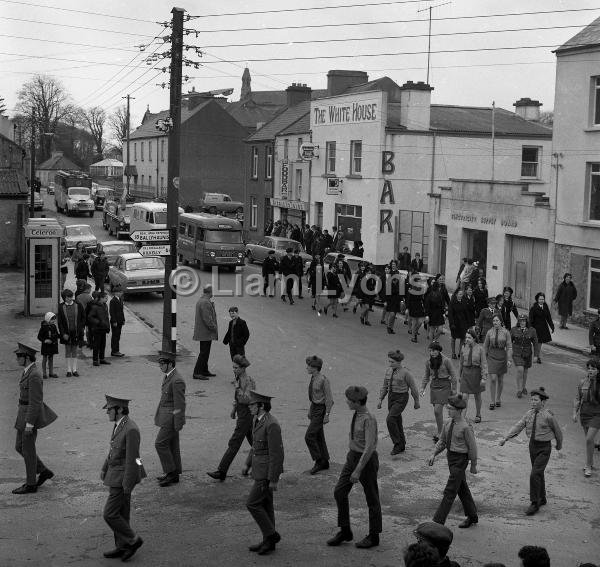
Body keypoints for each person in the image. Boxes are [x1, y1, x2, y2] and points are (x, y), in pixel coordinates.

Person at [327, 386, 381, 549]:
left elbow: (369, 447)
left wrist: (358, 469)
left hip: (366, 460)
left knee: (372, 497)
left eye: (349, 401)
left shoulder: (368, 419)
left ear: (357, 402)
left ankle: (374, 536)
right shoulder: (357, 414)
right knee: (339, 492)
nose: (347, 402)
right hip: (352, 457)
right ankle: (345, 531)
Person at [499, 387, 563, 515]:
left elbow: (558, 431)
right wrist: (506, 437)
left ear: (543, 402)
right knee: (538, 473)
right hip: (532, 446)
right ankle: (542, 497)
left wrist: (558, 445)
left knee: (534, 474)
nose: (533, 402)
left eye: (536, 400)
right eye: (532, 400)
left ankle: (535, 503)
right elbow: (519, 426)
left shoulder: (548, 416)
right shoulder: (528, 414)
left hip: (544, 447)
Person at [101, 395, 146, 561]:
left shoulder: (131, 429)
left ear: (119, 409)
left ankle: (134, 540)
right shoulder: (119, 425)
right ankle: (122, 546)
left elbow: (133, 458)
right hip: (116, 473)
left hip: (123, 477)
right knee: (122, 512)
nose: (107, 412)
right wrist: (104, 468)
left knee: (110, 514)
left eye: (109, 409)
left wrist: (128, 484)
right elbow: (114, 450)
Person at [12, 343, 57, 494]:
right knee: (19, 446)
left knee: (28, 450)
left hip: (29, 417)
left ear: (27, 358)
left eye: (19, 356)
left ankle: (31, 484)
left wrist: (30, 424)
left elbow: (36, 402)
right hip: (23, 414)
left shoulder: (34, 375)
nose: (17, 358)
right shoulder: (28, 371)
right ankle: (43, 471)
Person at [428, 393, 479, 528]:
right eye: (448, 408)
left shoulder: (465, 427)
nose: (448, 410)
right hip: (451, 458)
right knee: (461, 488)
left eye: (450, 408)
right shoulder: (448, 423)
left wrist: (473, 464)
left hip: (460, 460)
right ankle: (472, 516)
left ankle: (438, 522)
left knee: (450, 491)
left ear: (459, 410)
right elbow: (443, 441)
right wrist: (434, 453)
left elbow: (472, 448)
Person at [246, 390, 284, 556]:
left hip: (266, 473)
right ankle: (268, 541)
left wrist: (274, 479)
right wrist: (247, 464)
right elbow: (255, 445)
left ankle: (272, 535)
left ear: (261, 406)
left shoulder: (271, 424)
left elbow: (277, 454)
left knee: (252, 503)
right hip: (259, 469)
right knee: (266, 505)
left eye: (252, 405)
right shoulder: (257, 419)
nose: (249, 407)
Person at [208, 354, 255, 481]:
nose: (233, 370)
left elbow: (248, 399)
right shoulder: (239, 378)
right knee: (256, 443)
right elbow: (237, 400)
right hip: (244, 415)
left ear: (243, 368)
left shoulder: (247, 381)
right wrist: (234, 410)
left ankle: (222, 471)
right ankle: (259, 465)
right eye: (233, 367)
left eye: (236, 368)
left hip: (246, 416)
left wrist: (237, 389)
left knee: (234, 443)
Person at [377, 350, 419, 454]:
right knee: (396, 420)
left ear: (399, 362)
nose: (390, 364)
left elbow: (413, 388)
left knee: (390, 419)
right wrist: (380, 399)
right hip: (391, 397)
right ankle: (402, 443)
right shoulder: (388, 371)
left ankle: (397, 443)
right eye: (389, 361)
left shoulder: (406, 373)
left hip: (401, 397)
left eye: (392, 362)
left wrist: (416, 401)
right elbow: (385, 386)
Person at [154, 351, 186, 487]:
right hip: (167, 417)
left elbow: (180, 404)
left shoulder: (176, 380)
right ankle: (174, 473)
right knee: (172, 445)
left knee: (160, 443)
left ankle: (171, 472)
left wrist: (177, 423)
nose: (160, 366)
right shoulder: (169, 376)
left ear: (170, 364)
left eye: (163, 364)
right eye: (159, 363)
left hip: (171, 419)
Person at [421, 342, 458, 443]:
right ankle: (441, 431)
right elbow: (426, 375)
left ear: (438, 350)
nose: (432, 353)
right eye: (430, 351)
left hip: (444, 385)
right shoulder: (428, 362)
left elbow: (453, 375)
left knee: (437, 410)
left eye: (434, 350)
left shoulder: (446, 361)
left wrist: (454, 389)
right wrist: (423, 387)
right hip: (434, 386)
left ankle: (440, 434)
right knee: (438, 412)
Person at [304, 355, 333, 474]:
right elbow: (314, 397)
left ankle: (319, 460)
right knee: (318, 436)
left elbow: (329, 399)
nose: (307, 368)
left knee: (309, 436)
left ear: (315, 368)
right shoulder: (313, 378)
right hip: (315, 408)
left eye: (309, 366)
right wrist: (311, 410)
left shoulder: (323, 380)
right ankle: (325, 461)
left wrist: (327, 414)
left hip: (321, 410)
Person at [573, 359, 600, 478]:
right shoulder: (582, 382)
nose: (590, 371)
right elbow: (577, 398)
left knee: (589, 439)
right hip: (585, 413)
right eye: (589, 368)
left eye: (593, 369)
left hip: (597, 414)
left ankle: (588, 466)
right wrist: (574, 413)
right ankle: (591, 462)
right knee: (589, 440)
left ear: (598, 370)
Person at [483, 315, 513, 411]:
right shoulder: (489, 332)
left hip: (502, 356)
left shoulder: (506, 332)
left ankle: (498, 398)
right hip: (492, 355)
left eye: (497, 320)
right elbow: (485, 346)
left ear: (500, 321)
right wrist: (483, 359)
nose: (495, 322)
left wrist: (509, 359)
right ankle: (492, 401)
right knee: (493, 378)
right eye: (494, 320)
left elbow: (509, 347)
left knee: (500, 379)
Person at [459, 328, 487, 423]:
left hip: (476, 374)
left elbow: (484, 364)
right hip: (466, 373)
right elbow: (461, 363)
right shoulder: (463, 347)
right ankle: (462, 417)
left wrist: (484, 377)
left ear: (474, 338)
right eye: (466, 337)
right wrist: (459, 375)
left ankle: (478, 414)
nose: (466, 340)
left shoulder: (480, 349)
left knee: (477, 396)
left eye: (469, 338)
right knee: (465, 396)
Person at [57, 288, 86, 377]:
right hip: (66, 333)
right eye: (68, 297)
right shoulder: (61, 307)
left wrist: (81, 328)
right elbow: (60, 322)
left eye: (71, 297)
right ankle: (69, 370)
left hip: (76, 332)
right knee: (67, 351)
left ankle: (75, 369)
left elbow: (83, 318)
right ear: (64, 298)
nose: (70, 299)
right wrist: (63, 333)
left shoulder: (78, 305)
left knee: (74, 350)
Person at [193, 285, 218, 379]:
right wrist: (213, 328)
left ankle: (204, 370)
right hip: (205, 332)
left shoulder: (203, 301)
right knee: (204, 353)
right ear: (209, 292)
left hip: (203, 332)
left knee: (205, 352)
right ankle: (197, 372)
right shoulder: (205, 302)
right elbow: (207, 319)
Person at [511, 314, 538, 398]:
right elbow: (509, 341)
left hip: (527, 353)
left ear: (527, 321)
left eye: (524, 321)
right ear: (518, 321)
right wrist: (508, 352)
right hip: (517, 353)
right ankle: (519, 390)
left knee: (525, 371)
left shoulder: (532, 330)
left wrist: (536, 355)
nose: (522, 322)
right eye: (521, 321)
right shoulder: (514, 330)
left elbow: (535, 343)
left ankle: (523, 387)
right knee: (520, 370)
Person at [528, 293, 554, 364]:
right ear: (537, 299)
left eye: (543, 299)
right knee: (537, 343)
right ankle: (537, 356)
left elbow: (548, 317)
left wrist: (552, 326)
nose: (542, 300)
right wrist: (530, 328)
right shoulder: (533, 308)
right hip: (535, 328)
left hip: (543, 327)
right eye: (540, 299)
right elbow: (530, 319)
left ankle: (536, 356)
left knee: (540, 343)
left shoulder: (545, 306)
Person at [87, 291, 111, 367]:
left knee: (103, 344)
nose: (107, 299)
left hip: (103, 328)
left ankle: (102, 358)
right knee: (96, 345)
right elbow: (90, 317)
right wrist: (98, 322)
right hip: (97, 329)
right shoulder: (95, 307)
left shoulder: (105, 305)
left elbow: (106, 317)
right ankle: (95, 360)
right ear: (101, 298)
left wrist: (107, 326)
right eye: (105, 298)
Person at [448, 289, 470, 360]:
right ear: (456, 294)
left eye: (462, 294)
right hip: (455, 323)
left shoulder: (464, 302)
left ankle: (460, 353)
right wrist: (451, 324)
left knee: (463, 338)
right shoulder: (452, 303)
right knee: (453, 338)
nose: (461, 295)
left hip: (463, 323)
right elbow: (450, 314)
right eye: (460, 294)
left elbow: (466, 313)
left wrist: (468, 323)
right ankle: (453, 353)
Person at [37, 312, 59, 379]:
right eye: (52, 319)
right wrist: (45, 340)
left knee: (51, 358)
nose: (53, 321)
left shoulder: (54, 326)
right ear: (48, 319)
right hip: (45, 346)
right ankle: (44, 373)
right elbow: (39, 336)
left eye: (54, 319)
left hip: (52, 345)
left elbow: (57, 334)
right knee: (45, 359)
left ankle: (51, 373)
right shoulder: (43, 327)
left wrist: (62, 336)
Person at [109, 284, 125, 357]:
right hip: (115, 321)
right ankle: (114, 351)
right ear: (115, 293)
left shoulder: (120, 299)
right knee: (115, 336)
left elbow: (121, 311)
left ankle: (116, 350)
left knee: (118, 336)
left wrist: (123, 319)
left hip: (120, 320)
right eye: (120, 292)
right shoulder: (113, 301)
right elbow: (112, 312)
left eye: (121, 292)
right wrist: (114, 321)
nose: (121, 293)